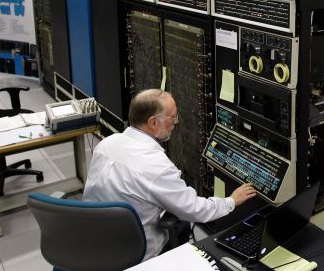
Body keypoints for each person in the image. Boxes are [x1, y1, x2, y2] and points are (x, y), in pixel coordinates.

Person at [83, 89, 258, 260]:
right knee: (181, 222)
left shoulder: (106, 144)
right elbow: (195, 210)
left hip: (94, 244)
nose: (176, 121)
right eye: (172, 117)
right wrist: (231, 201)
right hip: (135, 256)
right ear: (153, 123)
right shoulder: (157, 166)